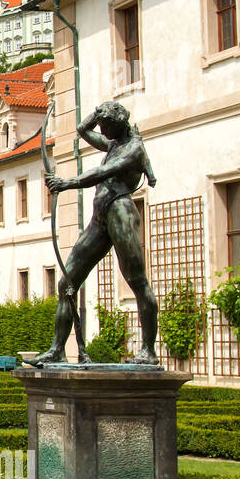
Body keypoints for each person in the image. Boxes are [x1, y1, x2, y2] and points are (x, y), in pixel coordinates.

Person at [33, 100, 159, 365]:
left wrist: (66, 183)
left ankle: (148, 350)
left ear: (119, 124)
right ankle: (58, 349)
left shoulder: (134, 150)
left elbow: (102, 171)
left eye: (105, 126)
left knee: (137, 281)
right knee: (67, 283)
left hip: (120, 213)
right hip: (100, 216)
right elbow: (81, 128)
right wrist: (100, 112)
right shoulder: (114, 143)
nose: (101, 130)